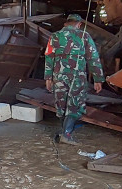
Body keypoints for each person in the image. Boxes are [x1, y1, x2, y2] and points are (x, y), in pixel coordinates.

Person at [44, 14, 105, 144]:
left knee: (61, 103)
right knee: (75, 103)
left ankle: (64, 131)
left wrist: (48, 77)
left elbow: (49, 57)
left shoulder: (54, 36)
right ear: (79, 24)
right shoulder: (85, 36)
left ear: (67, 23)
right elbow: (93, 58)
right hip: (77, 76)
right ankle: (66, 134)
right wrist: (98, 79)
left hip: (58, 75)